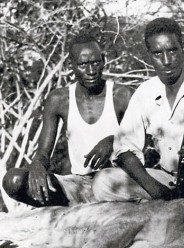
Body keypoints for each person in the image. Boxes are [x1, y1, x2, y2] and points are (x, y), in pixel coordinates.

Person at [2, 32, 132, 207]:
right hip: (79, 185)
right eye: (83, 65)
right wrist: (37, 166)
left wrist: (113, 141)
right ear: (72, 66)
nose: (91, 71)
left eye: (95, 62)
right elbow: (43, 152)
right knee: (14, 180)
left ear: (104, 60)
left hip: (118, 182)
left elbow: (142, 140)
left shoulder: (122, 95)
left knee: (107, 182)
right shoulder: (59, 99)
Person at [91, 17, 184, 201]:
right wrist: (156, 190)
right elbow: (124, 148)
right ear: (149, 55)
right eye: (157, 53)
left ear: (183, 48)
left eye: (172, 50)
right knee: (104, 182)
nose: (166, 61)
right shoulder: (146, 92)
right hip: (168, 179)